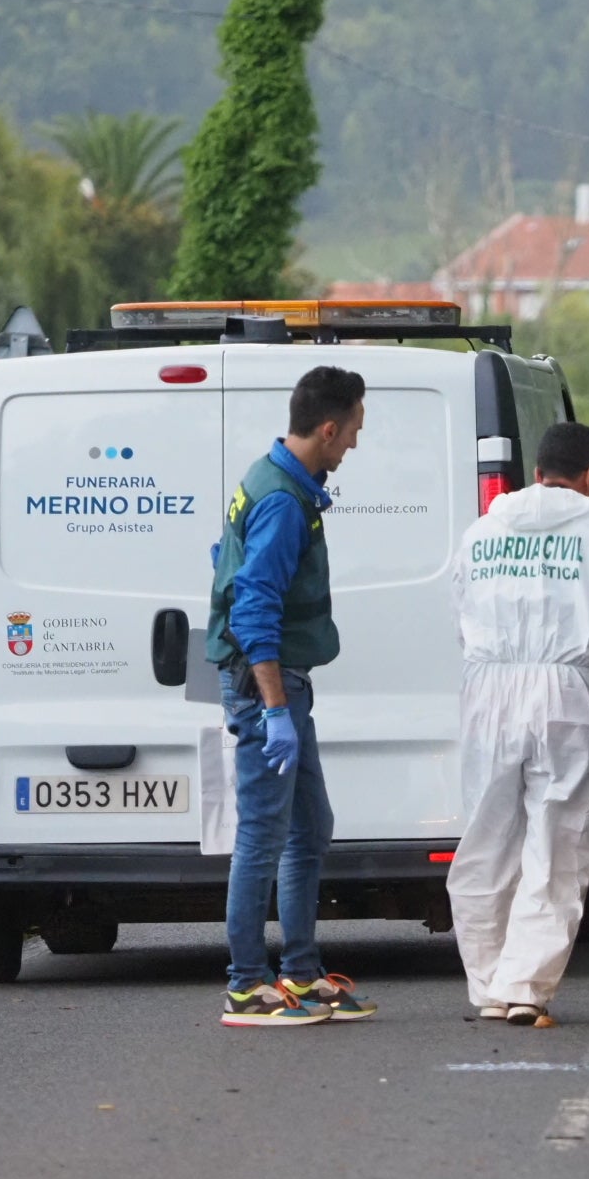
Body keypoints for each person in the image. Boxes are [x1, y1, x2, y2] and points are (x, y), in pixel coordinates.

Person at [446, 422, 589, 1024]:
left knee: (487, 839)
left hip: (488, 689)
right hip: (565, 692)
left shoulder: (483, 531)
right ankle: (524, 986)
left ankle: (487, 982)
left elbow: (459, 617)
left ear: (537, 471)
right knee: (559, 840)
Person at [206, 365, 378, 1028]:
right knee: (263, 832)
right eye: (354, 432)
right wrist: (274, 710)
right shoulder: (281, 499)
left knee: (310, 827)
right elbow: (254, 611)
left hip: (279, 685)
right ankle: (247, 985)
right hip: (266, 687)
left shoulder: (271, 479)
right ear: (328, 428)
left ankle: (300, 974)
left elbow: (229, 559)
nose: (354, 447)